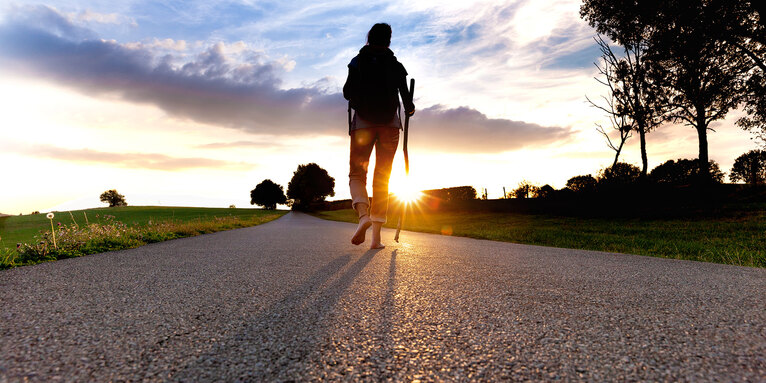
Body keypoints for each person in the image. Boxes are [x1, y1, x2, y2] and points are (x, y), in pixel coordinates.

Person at [343, 23, 415, 249]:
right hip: (390, 126)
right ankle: (376, 239)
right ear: (389, 41)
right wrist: (410, 109)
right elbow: (407, 103)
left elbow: (346, 92)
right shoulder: (396, 65)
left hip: (363, 124)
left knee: (357, 173)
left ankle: (363, 215)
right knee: (382, 177)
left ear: (369, 37)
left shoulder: (357, 62)